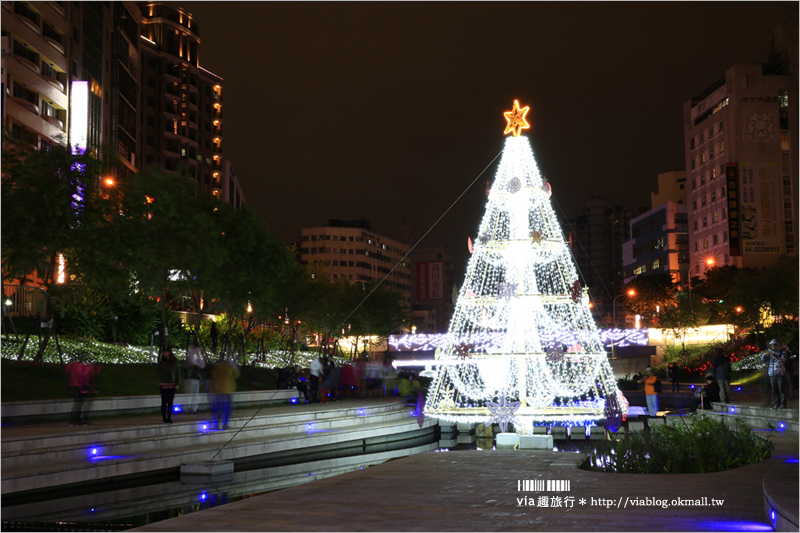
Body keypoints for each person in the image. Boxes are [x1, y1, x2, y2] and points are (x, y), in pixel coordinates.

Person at [65, 352, 100, 426]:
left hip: (74, 384)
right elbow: (84, 374)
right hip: (80, 385)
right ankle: (77, 420)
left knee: (77, 403)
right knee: (80, 403)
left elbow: (68, 371)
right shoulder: (82, 365)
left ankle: (74, 420)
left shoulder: (73, 364)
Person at [211, 355, 239, 430]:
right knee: (226, 408)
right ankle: (224, 424)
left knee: (220, 408)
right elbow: (236, 374)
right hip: (226, 390)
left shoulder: (218, 367)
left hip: (222, 390)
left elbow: (214, 376)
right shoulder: (229, 367)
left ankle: (218, 424)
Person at [762, 339, 787, 410]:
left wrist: (775, 356)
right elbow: (764, 361)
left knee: (781, 389)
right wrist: (764, 355)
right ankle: (776, 404)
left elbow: (783, 361)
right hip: (771, 373)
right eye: (772, 346)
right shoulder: (769, 352)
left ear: (777, 346)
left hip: (779, 373)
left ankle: (783, 404)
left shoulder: (782, 352)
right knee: (774, 389)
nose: (773, 347)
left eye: (774, 345)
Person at [157, 347, 181, 424]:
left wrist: (177, 383)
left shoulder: (175, 361)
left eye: (166, 352)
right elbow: (157, 371)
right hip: (163, 383)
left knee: (170, 402)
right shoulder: (161, 362)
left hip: (172, 383)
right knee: (164, 401)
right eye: (164, 352)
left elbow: (177, 373)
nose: (165, 354)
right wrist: (162, 376)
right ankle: (164, 418)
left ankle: (169, 417)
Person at [183, 346, 205, 413]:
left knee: (195, 394)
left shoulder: (196, 359)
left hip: (195, 378)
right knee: (189, 393)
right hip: (190, 378)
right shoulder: (190, 358)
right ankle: (187, 408)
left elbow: (202, 365)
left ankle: (193, 408)